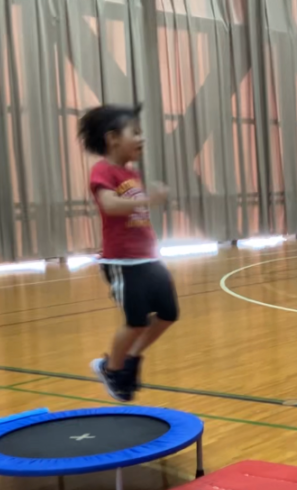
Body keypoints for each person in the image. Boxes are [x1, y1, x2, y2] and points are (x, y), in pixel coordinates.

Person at [79, 104, 178, 402]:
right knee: (136, 322)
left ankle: (130, 358)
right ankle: (111, 369)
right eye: (134, 132)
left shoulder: (130, 173)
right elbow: (110, 205)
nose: (141, 138)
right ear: (112, 138)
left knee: (168, 314)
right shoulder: (103, 171)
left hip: (149, 258)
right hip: (123, 263)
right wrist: (149, 200)